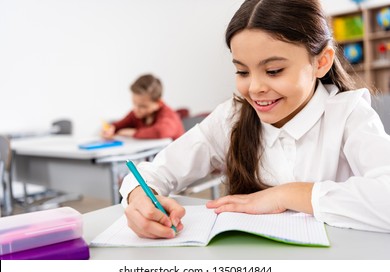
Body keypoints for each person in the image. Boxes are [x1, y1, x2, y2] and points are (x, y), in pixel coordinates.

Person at [120, 0, 390, 239]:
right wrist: (140, 198)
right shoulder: (232, 116)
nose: (255, 87)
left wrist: (285, 194)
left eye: (273, 70)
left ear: (321, 62)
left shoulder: (348, 114)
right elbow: (155, 172)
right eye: (242, 71)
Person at [101, 74, 184, 140]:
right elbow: (119, 125)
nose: (136, 109)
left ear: (158, 102)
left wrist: (134, 133)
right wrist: (111, 129)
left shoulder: (168, 115)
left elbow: (161, 131)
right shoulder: (137, 114)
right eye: (134, 103)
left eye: (142, 106)